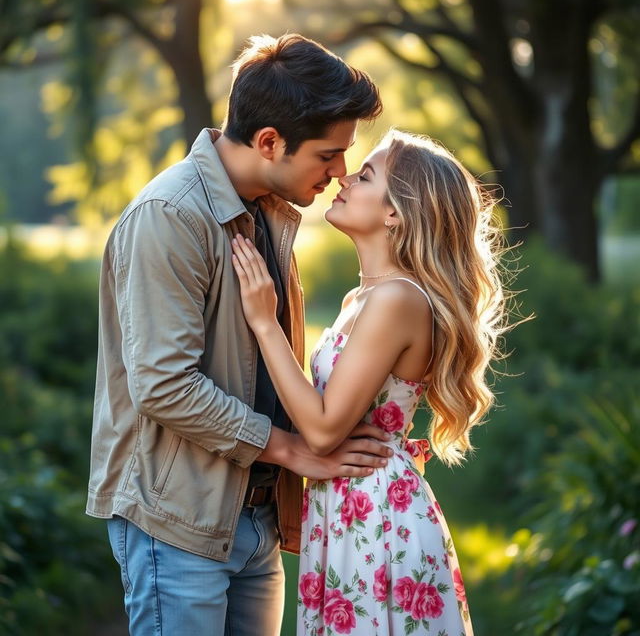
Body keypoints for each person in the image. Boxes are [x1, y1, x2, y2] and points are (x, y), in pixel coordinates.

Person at [86, 33, 388, 636]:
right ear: (270, 142)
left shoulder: (272, 210)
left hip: (256, 521)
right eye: (328, 155)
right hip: (178, 519)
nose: (341, 172)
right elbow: (164, 387)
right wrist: (289, 448)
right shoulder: (171, 218)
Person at [232, 129, 509, 635]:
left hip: (377, 517)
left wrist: (264, 321)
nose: (343, 177)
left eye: (365, 176)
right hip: (347, 503)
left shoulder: (398, 299)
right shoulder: (361, 299)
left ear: (394, 212)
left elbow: (320, 430)